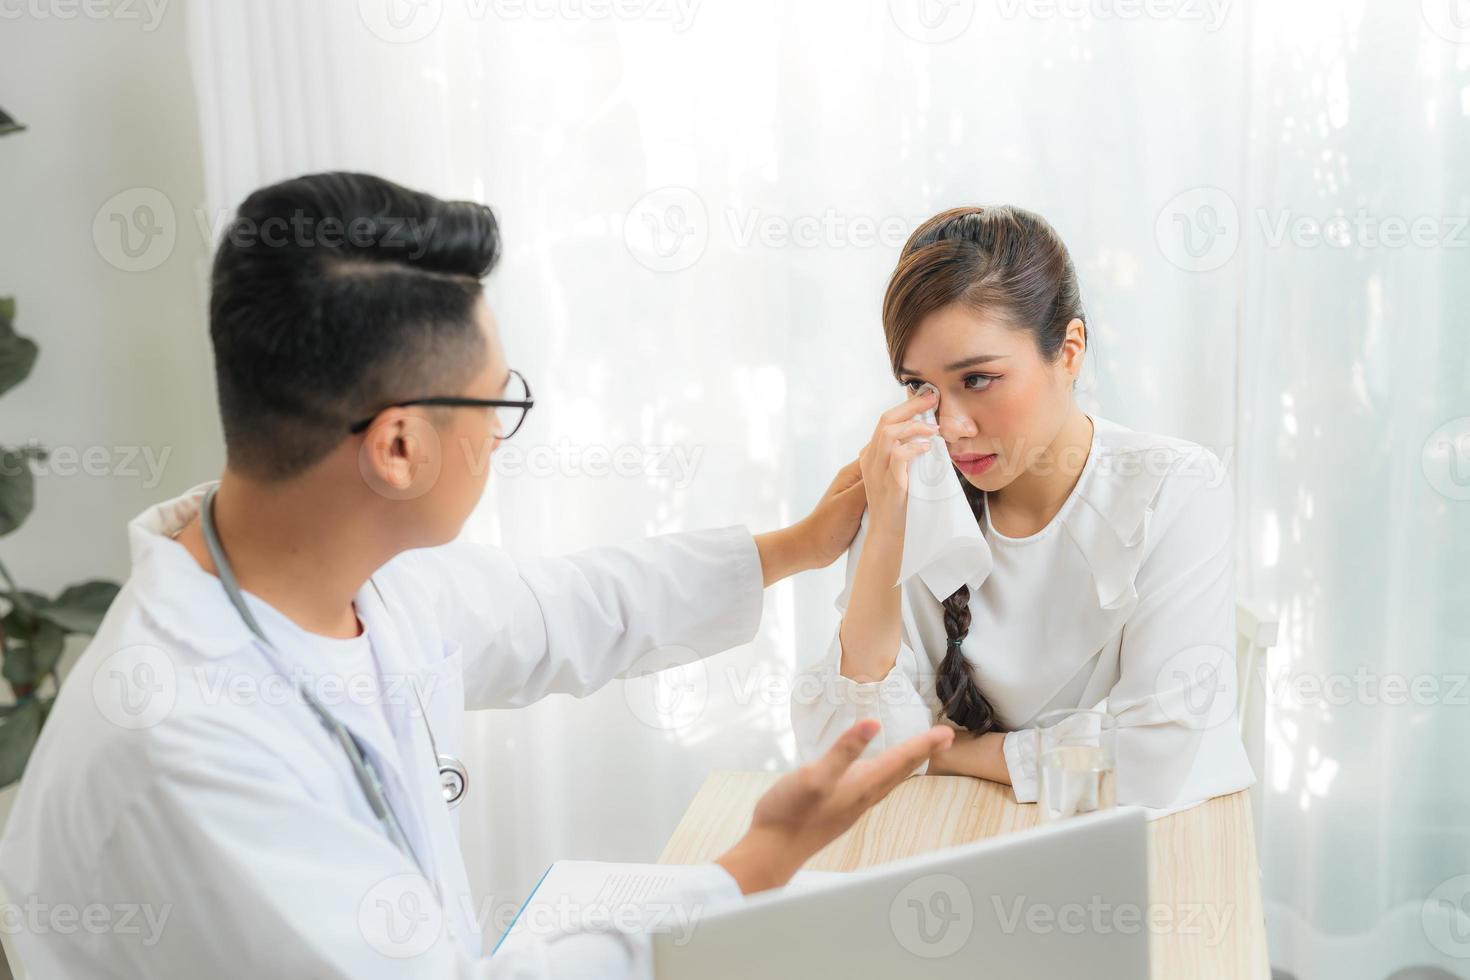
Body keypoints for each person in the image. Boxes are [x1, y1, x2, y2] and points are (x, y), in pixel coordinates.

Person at [0, 172, 953, 978]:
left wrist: (800, 543)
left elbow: (569, 609)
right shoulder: (189, 745)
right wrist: (757, 861)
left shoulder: (342, 575)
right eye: (497, 401)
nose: (501, 429)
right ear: (400, 446)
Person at [791, 205, 1254, 815]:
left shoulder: (1173, 487)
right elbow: (847, 758)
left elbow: (1162, 761)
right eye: (918, 387)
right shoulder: (910, 482)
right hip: (948, 847)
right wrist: (879, 541)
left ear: (1069, 351)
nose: (949, 426)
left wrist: (952, 752)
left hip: (1121, 858)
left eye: (978, 379)